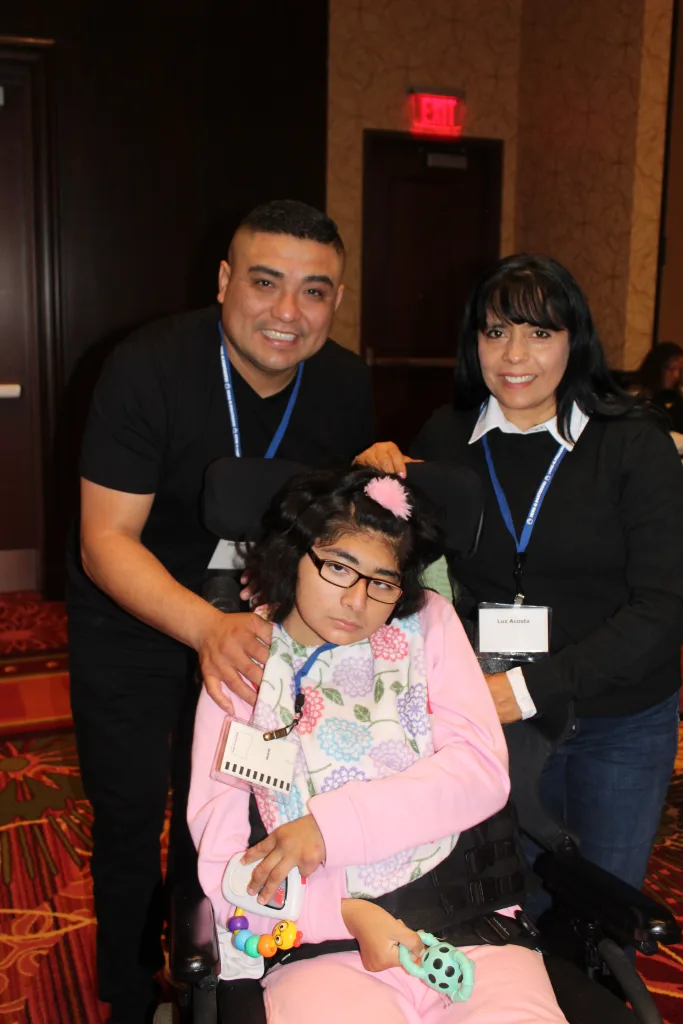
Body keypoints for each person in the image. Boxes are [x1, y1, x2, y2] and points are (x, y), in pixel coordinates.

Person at [66, 200, 374, 1024]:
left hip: (261, 632)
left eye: (314, 291)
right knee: (132, 816)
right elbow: (104, 540)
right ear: (224, 280)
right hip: (135, 621)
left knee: (237, 816)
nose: (287, 312)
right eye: (265, 283)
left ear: (336, 300)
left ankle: (221, 983)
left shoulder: (344, 383)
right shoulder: (147, 368)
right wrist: (203, 628)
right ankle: (133, 997)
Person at [188, 463, 567, 1023]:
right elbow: (225, 863)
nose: (357, 601)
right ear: (294, 556)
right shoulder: (244, 657)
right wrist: (345, 914)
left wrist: (329, 828)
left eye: (383, 582)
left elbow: (480, 772)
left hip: (468, 925)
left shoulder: (429, 624)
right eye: (339, 568)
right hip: (317, 943)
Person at [355, 253, 683, 900]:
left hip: (615, 718)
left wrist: (525, 690)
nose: (514, 355)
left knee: (601, 912)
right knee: (506, 905)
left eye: (539, 332)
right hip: (492, 716)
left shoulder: (632, 443)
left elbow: (664, 608)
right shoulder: (447, 438)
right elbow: (404, 571)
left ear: (574, 340)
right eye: (496, 331)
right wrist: (369, 486)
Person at [632, 340, 683, 433]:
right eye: (671, 369)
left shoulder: (679, 396)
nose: (676, 375)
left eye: (680, 370)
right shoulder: (639, 397)